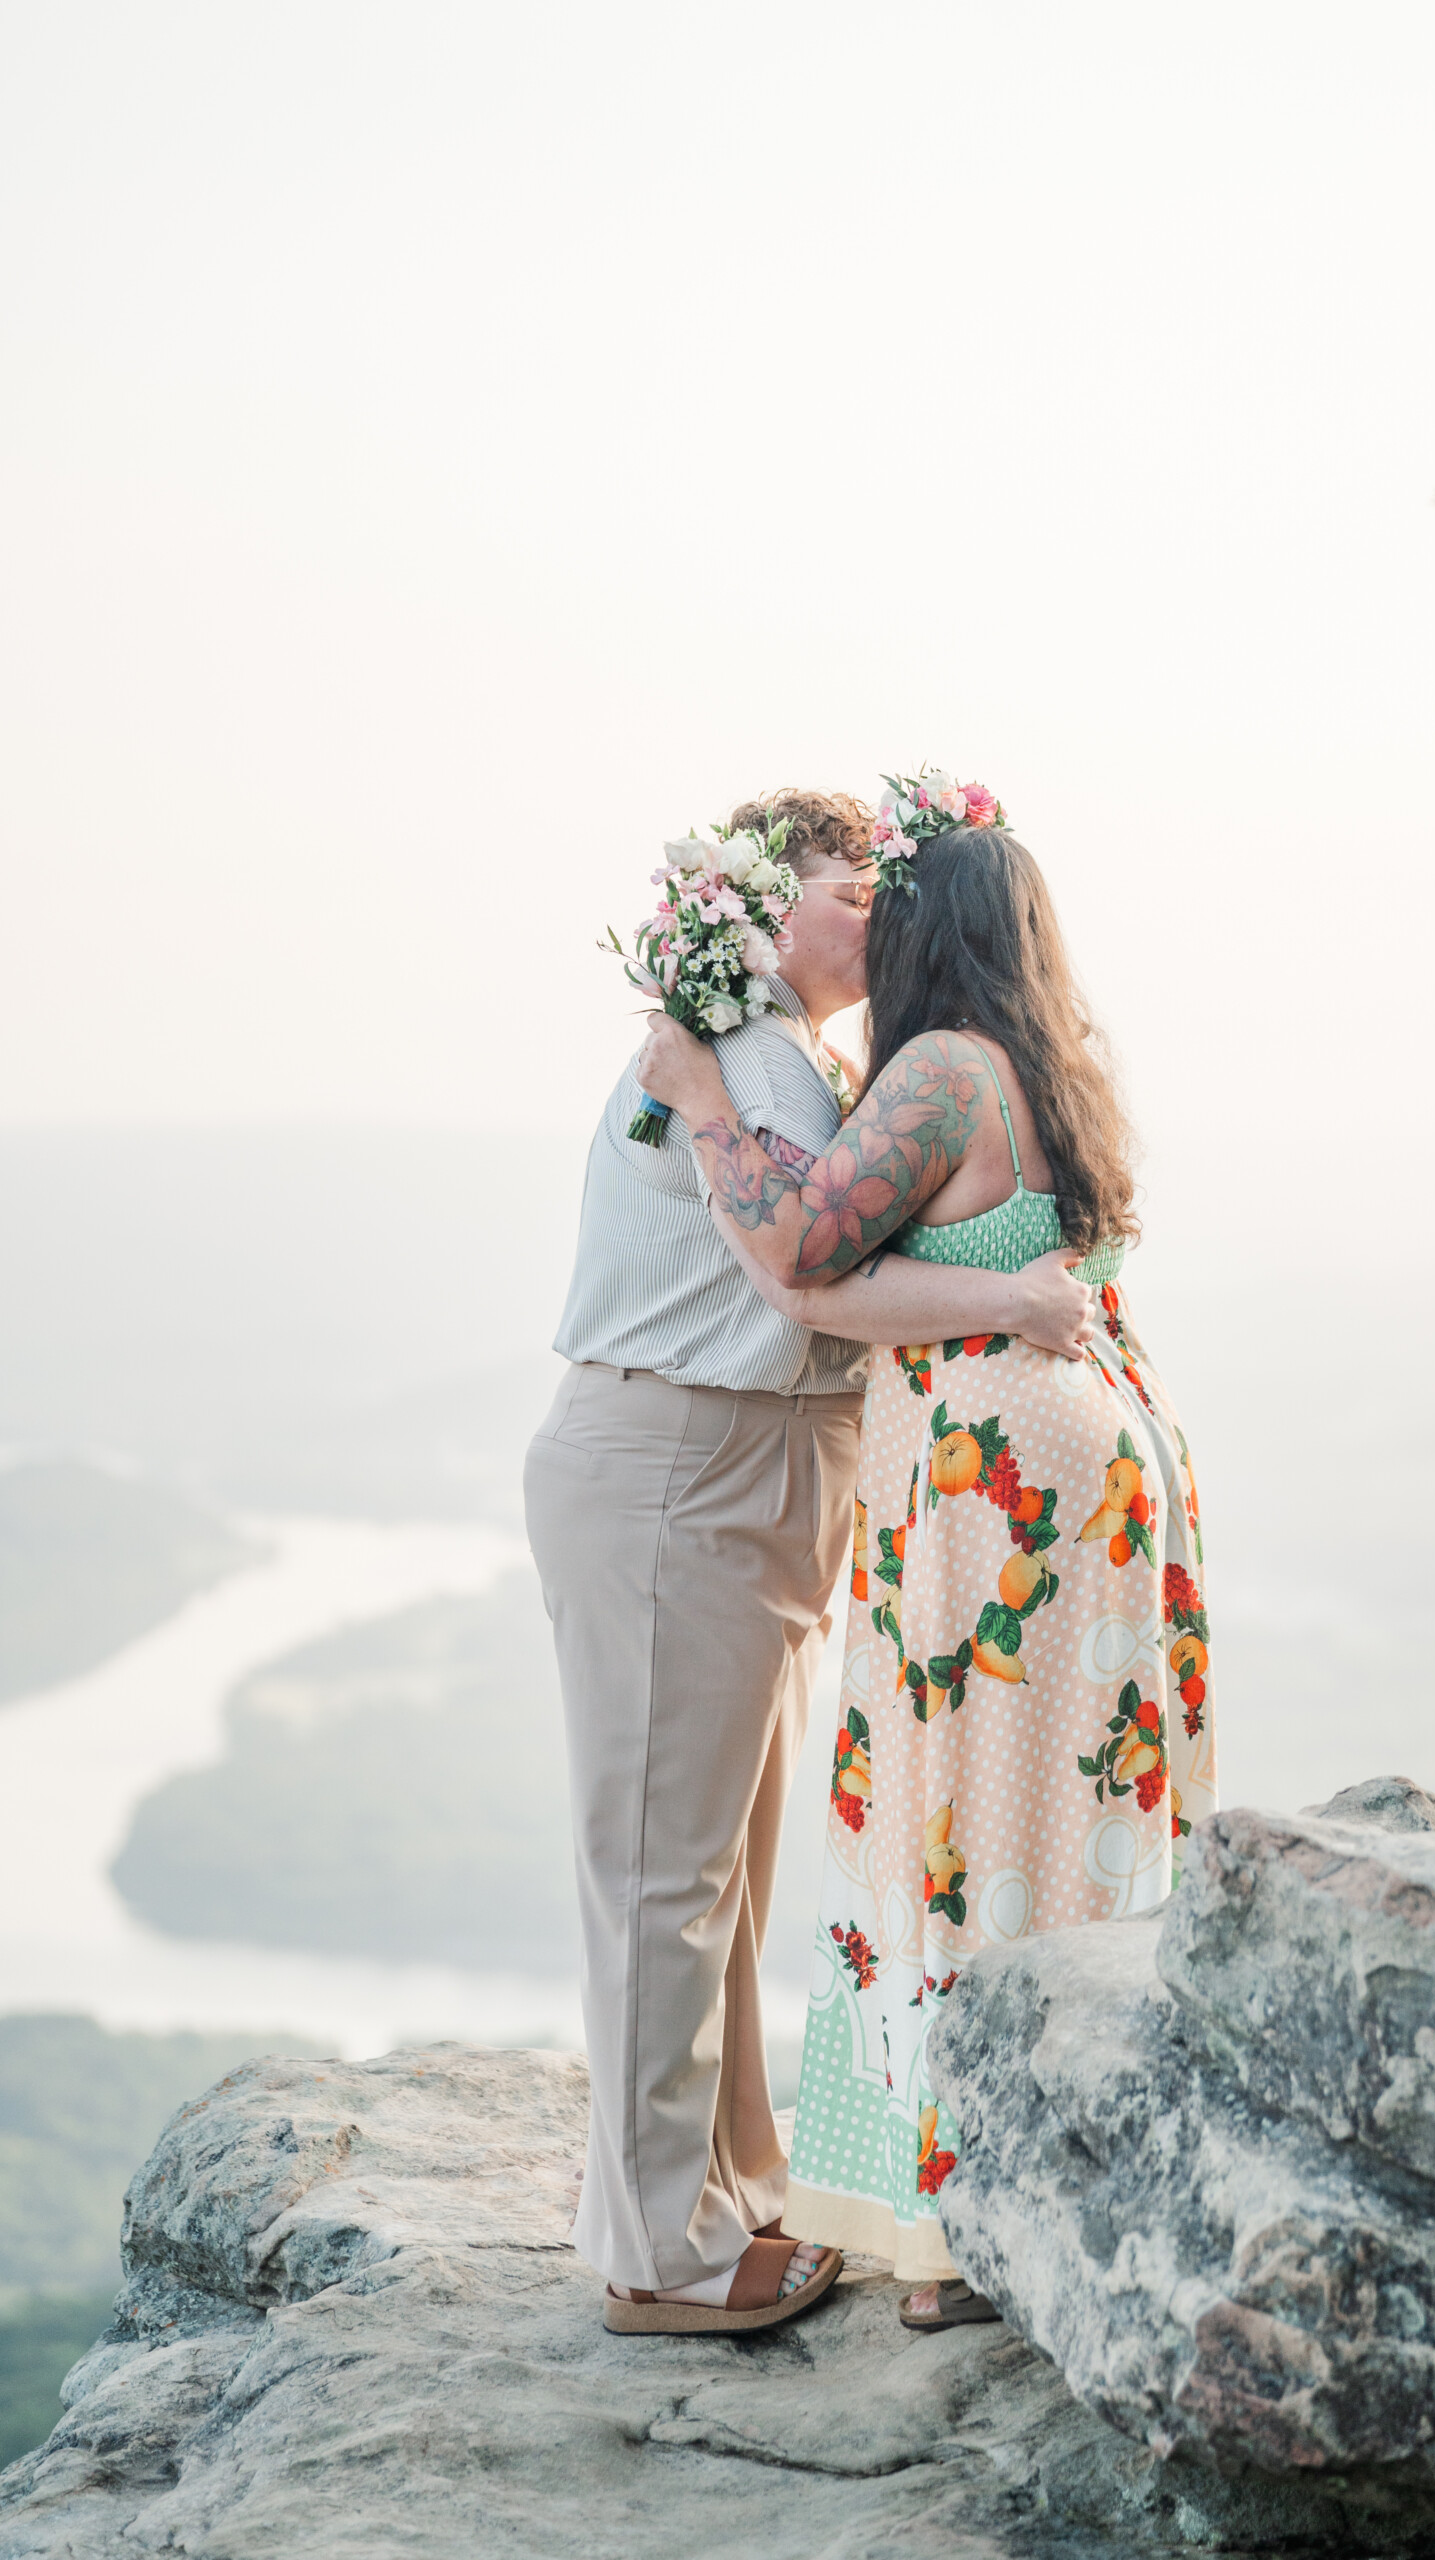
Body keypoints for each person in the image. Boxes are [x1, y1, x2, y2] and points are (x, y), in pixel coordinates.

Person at [523, 787, 1099, 2338]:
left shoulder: (793, 1057)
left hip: (735, 1472)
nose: (881, 912)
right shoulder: (752, 1058)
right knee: (666, 1864)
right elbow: (805, 1276)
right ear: (767, 907)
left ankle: (731, 2188)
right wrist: (1012, 1308)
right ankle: (663, 2253)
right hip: (681, 1464)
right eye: (853, 889)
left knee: (723, 1858)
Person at [634, 808, 1219, 2328]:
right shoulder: (1052, 1064)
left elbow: (806, 1242)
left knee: (959, 1827)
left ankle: (963, 2227)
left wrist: (705, 1096)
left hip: (996, 1482)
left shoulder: (946, 1069)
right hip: (1087, 1454)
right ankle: (1046, 2184)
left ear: (921, 937)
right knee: (1058, 1814)